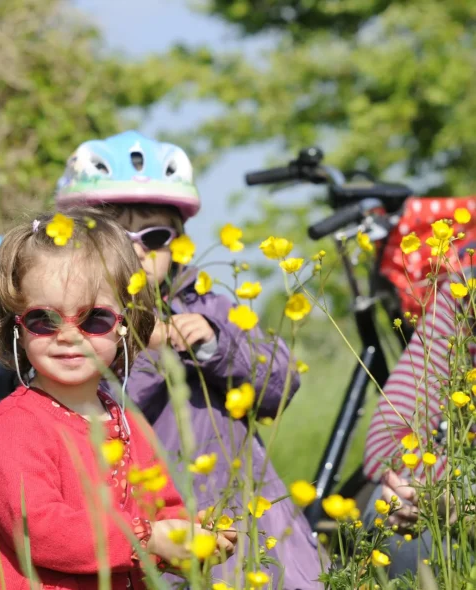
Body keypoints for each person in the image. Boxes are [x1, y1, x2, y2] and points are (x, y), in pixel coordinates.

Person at [56, 130, 325, 589]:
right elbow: (94, 411)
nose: (138, 248)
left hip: (238, 520)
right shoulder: (67, 325)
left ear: (179, 241)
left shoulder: (208, 304)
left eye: (155, 235)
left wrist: (215, 347)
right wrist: (145, 348)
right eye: (117, 235)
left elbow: (279, 385)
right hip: (145, 528)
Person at [0, 209, 236, 589]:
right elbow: (39, 530)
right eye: (44, 320)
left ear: (125, 325)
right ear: (16, 327)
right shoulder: (16, 424)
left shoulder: (121, 417)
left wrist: (189, 535)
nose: (68, 335)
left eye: (94, 319)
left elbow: (159, 507)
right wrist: (145, 540)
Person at [363, 276, 470, 577]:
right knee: (393, 509)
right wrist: (442, 496)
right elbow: (385, 441)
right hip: (465, 483)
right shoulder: (465, 289)